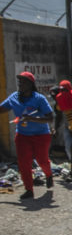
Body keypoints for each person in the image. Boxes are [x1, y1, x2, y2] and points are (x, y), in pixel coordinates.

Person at [0, 71, 54, 199]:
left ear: (30, 84)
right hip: (23, 135)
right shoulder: (14, 97)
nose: (20, 84)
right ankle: (29, 189)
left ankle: (48, 174)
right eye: (19, 81)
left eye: (23, 82)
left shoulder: (39, 98)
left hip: (41, 135)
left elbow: (50, 118)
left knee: (42, 160)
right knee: (24, 163)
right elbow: (2, 108)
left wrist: (32, 119)